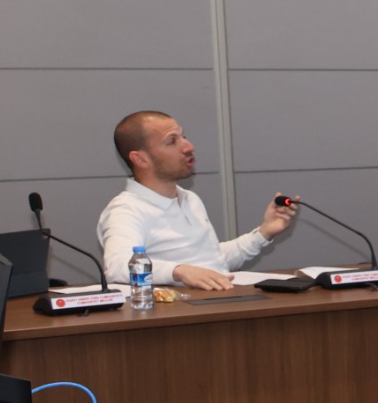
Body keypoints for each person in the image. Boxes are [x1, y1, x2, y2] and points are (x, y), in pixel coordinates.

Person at [97, 111, 294, 290]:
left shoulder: (190, 199)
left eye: (184, 136)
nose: (189, 147)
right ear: (140, 159)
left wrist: (264, 233)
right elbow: (118, 266)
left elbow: (212, 261)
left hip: (217, 301)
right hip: (178, 311)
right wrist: (179, 271)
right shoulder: (126, 210)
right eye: (172, 141)